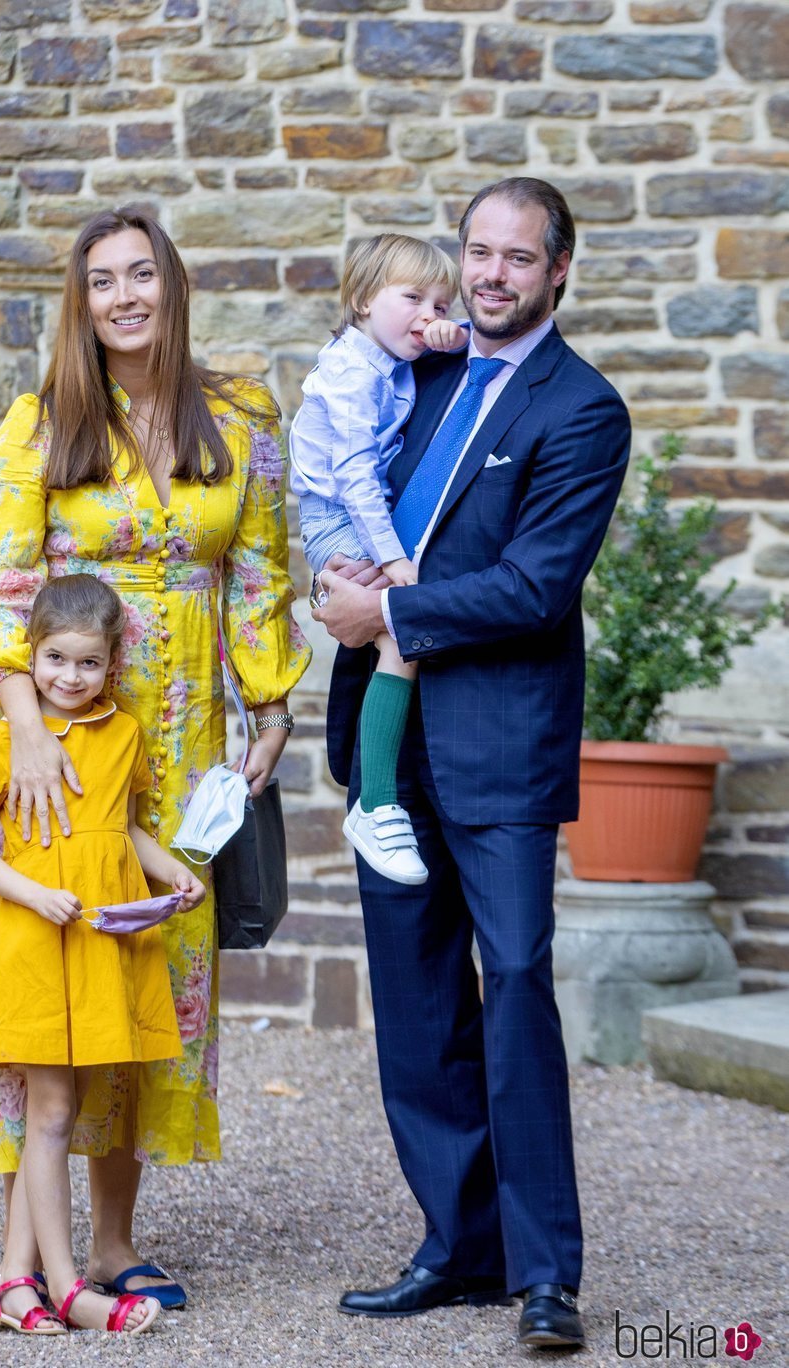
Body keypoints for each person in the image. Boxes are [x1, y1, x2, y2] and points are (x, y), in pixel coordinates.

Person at [0, 206, 311, 1326]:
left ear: (172, 283)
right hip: (56, 727)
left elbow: (259, 568)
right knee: (44, 972)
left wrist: (272, 702)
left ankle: (110, 1245)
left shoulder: (239, 415)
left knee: (143, 974)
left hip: (184, 729)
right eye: (101, 280)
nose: (123, 295)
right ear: (81, 302)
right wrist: (28, 723)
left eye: (140, 272)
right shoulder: (43, 417)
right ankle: (26, 1256)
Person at [312, 177, 632, 1351]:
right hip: (392, 754)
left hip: (497, 750)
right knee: (414, 1004)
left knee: (512, 1002)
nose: (490, 275)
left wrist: (388, 618)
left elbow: (535, 586)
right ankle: (456, 1248)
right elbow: (342, 497)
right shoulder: (415, 373)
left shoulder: (582, 409)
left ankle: (544, 1276)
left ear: (559, 271)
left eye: (516, 258)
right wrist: (327, 586)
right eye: (475, 252)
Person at [0, 574, 206, 1334]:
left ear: (112, 662)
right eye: (56, 659)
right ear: (31, 655)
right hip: (36, 939)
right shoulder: (5, 740)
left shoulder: (124, 733)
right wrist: (34, 896)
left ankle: (17, 1285)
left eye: (88, 663)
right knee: (55, 1106)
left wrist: (169, 869)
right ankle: (64, 1285)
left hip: (99, 941)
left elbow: (118, 826)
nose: (70, 677)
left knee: (68, 1109)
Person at [290, 234, 467, 887]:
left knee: (404, 636)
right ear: (363, 300)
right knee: (405, 627)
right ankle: (377, 802)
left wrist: (450, 330)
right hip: (341, 518)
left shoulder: (387, 358)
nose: (428, 313)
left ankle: (379, 800)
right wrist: (394, 566)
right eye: (412, 297)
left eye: (441, 301)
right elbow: (357, 478)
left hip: (362, 515)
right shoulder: (351, 374)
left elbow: (464, 332)